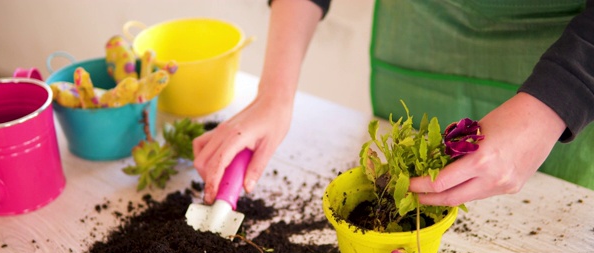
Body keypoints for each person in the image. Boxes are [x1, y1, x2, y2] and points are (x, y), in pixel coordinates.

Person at [193, 0, 594, 207]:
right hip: (417, 40)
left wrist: (553, 104)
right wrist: (274, 95)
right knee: (399, 169)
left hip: (564, 55)